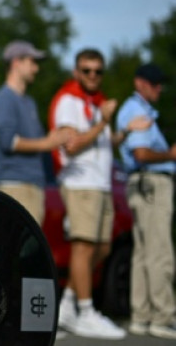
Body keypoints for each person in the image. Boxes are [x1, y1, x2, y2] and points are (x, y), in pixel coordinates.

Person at [50, 49, 149, 340]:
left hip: (101, 185)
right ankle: (85, 310)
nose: (93, 76)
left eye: (98, 71)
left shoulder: (96, 103)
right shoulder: (69, 100)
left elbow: (102, 143)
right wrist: (104, 122)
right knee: (83, 248)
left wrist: (125, 131)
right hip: (81, 184)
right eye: (87, 70)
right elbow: (72, 145)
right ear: (76, 71)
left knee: (102, 248)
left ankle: (67, 305)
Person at [116, 63, 176, 339]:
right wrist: (171, 155)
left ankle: (142, 315)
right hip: (152, 183)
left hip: (140, 185)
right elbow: (141, 154)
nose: (159, 87)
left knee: (142, 253)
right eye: (154, 83)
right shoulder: (139, 112)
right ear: (140, 83)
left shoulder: (134, 110)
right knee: (159, 252)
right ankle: (163, 317)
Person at [0, 40, 71, 225]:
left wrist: (58, 138)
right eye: (32, 62)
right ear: (16, 62)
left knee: (28, 250)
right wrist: (47, 143)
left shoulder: (28, 102)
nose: (36, 69)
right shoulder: (4, 99)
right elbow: (8, 142)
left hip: (32, 185)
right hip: (15, 186)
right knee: (17, 249)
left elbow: (39, 140)